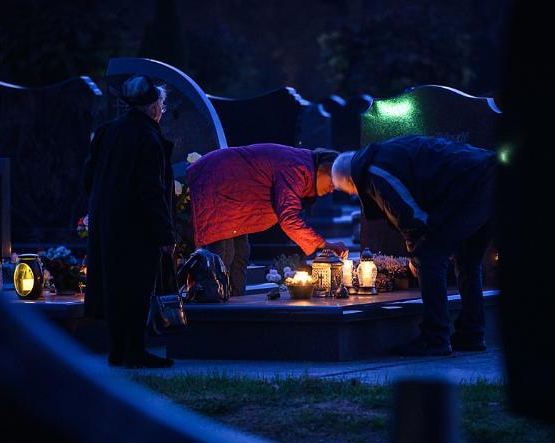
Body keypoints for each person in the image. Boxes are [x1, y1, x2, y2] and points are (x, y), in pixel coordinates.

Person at [331, 135, 497, 356]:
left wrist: (415, 254)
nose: (355, 196)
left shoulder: (374, 172)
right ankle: (472, 334)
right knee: (468, 261)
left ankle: (435, 337)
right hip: (489, 176)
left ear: (351, 180)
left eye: (349, 192)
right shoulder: (384, 155)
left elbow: (409, 215)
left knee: (430, 257)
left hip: (470, 187)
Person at [83, 75, 175, 368]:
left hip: (106, 220)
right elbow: (152, 190)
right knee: (136, 287)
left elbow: (89, 176)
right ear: (152, 107)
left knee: (113, 284)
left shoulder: (108, 131)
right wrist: (165, 234)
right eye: (161, 104)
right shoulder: (148, 137)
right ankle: (134, 351)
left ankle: (117, 350)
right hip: (137, 225)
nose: (161, 109)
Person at [185, 144, 348, 296]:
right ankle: (215, 311)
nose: (332, 189)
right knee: (222, 254)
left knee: (240, 253)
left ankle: (235, 307)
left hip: (236, 196)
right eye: (333, 181)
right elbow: (288, 218)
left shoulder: (302, 168)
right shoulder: (297, 168)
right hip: (219, 182)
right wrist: (325, 245)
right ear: (322, 169)